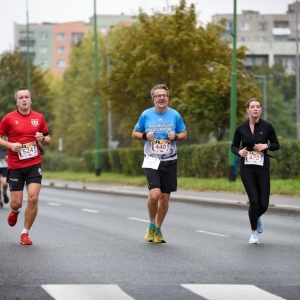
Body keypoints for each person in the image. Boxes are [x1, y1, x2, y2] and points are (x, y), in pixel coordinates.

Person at [132, 84, 187, 243]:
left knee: (164, 198)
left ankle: (158, 229)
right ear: (153, 99)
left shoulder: (175, 115)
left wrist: (175, 136)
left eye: (164, 95)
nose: (161, 98)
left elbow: (184, 133)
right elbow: (134, 133)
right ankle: (150, 224)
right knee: (154, 194)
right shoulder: (146, 114)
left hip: (169, 160)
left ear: (168, 98)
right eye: (158, 96)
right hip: (151, 159)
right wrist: (144, 136)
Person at [0, 87, 51, 245]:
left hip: (34, 163)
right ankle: (15, 211)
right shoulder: (8, 118)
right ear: (16, 101)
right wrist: (9, 145)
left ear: (31, 100)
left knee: (33, 198)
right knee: (16, 202)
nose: (24, 99)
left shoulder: (39, 117)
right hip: (15, 165)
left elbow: (48, 140)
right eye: (20, 97)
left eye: (26, 97)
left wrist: (42, 138)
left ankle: (25, 233)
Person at [231, 98, 279, 244]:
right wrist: (239, 152)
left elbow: (276, 144)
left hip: (262, 167)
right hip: (247, 167)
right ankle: (254, 234)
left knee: (264, 204)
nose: (255, 109)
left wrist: (267, 146)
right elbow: (233, 146)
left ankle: (257, 217)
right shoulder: (241, 128)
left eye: (258, 107)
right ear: (248, 110)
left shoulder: (267, 126)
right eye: (252, 107)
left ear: (261, 110)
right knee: (254, 200)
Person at [0, 135, 9, 208]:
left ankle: (4, 193)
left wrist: (9, 155)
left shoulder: (8, 138)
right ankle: (0, 202)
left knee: (5, 183)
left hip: (5, 164)